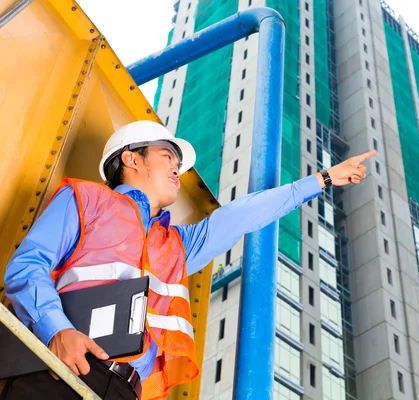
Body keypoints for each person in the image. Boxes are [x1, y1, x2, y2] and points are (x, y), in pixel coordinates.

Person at [1, 120, 375, 399]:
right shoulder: (88, 200)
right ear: (131, 158)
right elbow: (27, 266)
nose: (177, 167)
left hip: (124, 391)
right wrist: (56, 330)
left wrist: (322, 179)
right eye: (167, 156)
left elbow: (242, 215)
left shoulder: (177, 244)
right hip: (59, 370)